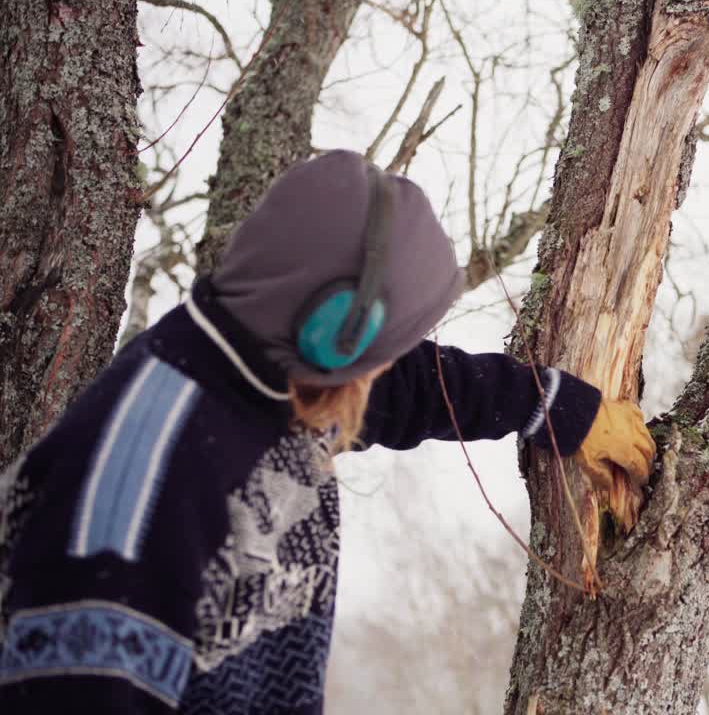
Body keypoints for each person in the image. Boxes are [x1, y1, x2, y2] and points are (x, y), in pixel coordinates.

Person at [0, 150, 655, 713]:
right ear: (333, 337)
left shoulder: (261, 364)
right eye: (379, 356)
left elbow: (411, 388)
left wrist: (554, 406)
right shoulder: (137, 497)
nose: (383, 376)